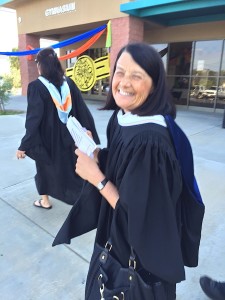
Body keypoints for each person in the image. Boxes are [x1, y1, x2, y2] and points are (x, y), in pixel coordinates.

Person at [52, 42, 205, 299]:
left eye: (137, 75)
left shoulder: (151, 142)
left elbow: (142, 218)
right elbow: (125, 170)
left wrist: (97, 178)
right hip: (116, 240)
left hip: (138, 259)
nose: (124, 82)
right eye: (120, 72)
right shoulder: (123, 117)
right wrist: (97, 155)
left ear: (155, 85)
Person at [16, 47, 100, 209]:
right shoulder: (68, 83)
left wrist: (24, 145)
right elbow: (82, 110)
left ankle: (45, 201)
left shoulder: (36, 87)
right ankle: (83, 200)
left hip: (48, 140)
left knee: (44, 168)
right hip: (70, 136)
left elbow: (33, 120)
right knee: (73, 168)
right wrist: (89, 134)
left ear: (40, 65)